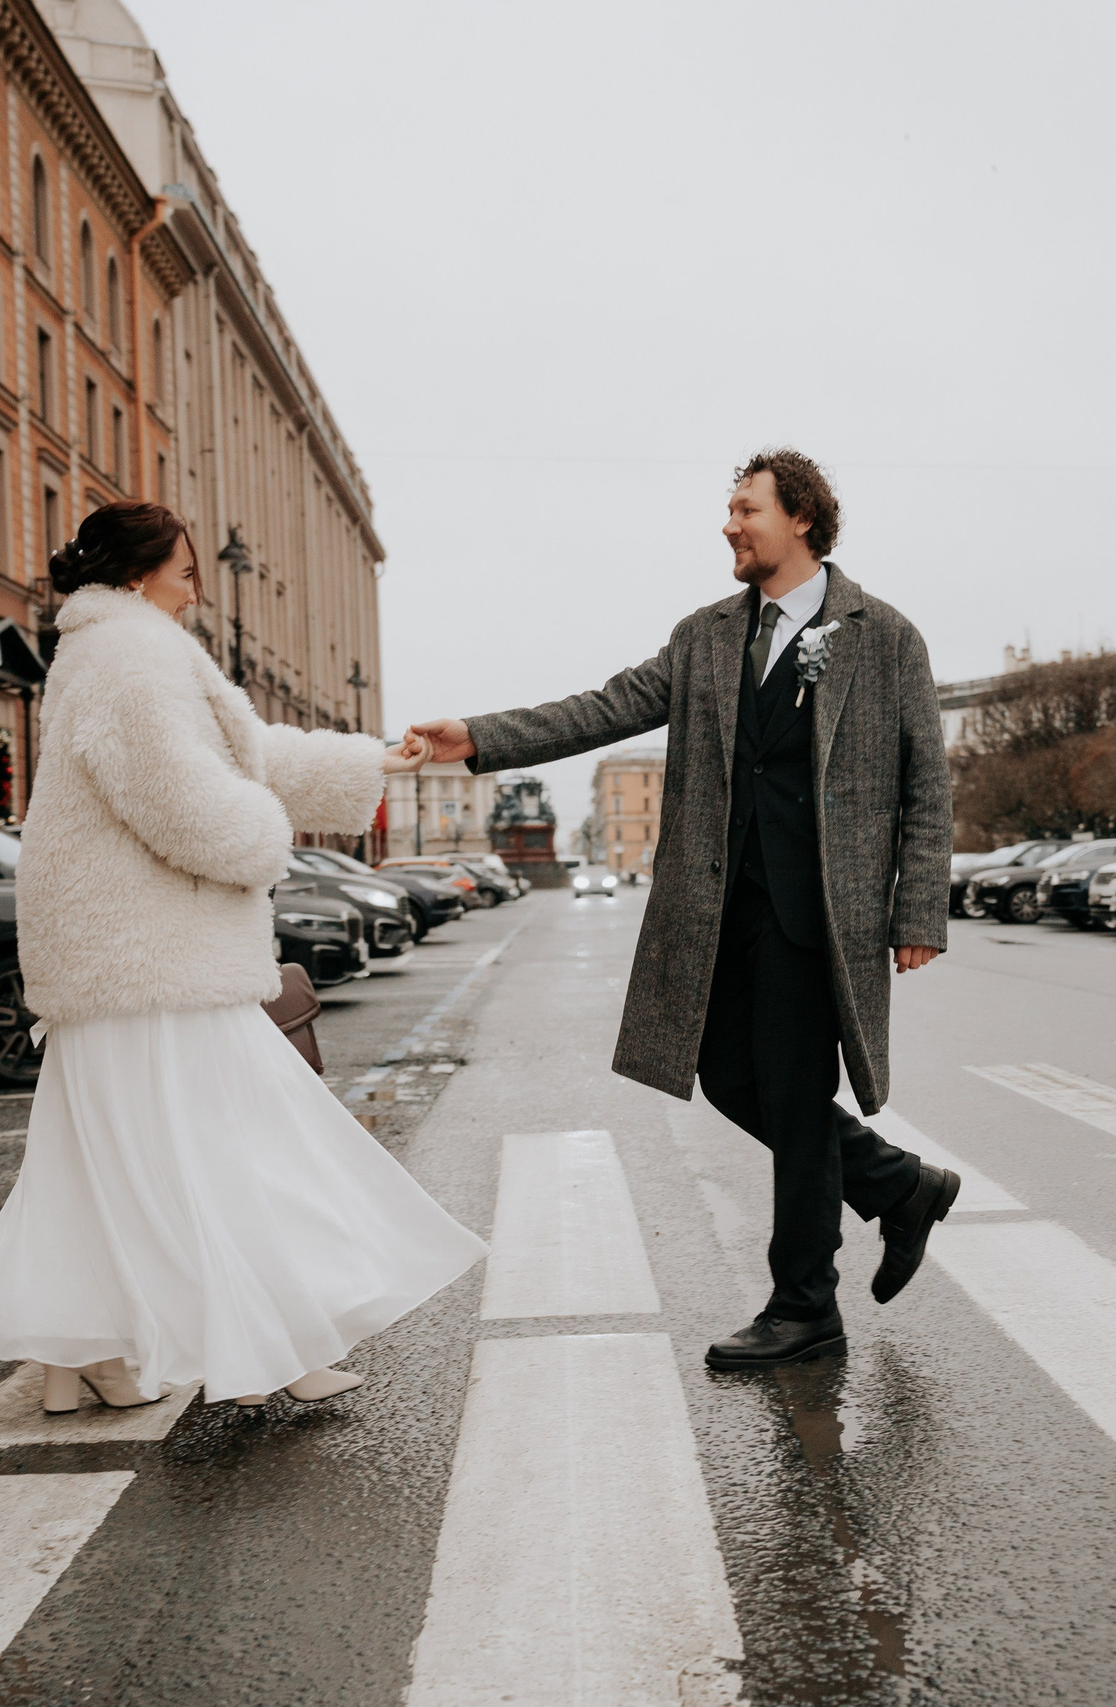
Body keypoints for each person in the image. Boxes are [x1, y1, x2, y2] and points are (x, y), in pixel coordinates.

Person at [0, 501, 483, 1415]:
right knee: (238, 1144)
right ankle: (273, 1345)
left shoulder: (112, 649)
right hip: (152, 958)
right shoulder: (130, 654)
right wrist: (267, 840)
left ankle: (81, 1355)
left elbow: (244, 750)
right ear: (138, 573)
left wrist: (374, 761)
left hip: (117, 960)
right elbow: (179, 794)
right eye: (186, 574)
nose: (196, 592)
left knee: (102, 1167)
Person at [410, 449, 956, 1371]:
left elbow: (925, 782)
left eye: (746, 509)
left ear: (802, 520)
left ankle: (805, 1305)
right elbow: (605, 707)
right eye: (730, 509)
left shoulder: (885, 635)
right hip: (716, 906)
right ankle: (897, 1184)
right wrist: (478, 738)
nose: (728, 524)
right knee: (730, 1076)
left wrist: (918, 912)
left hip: (821, 914)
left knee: (794, 1093)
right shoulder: (705, 636)